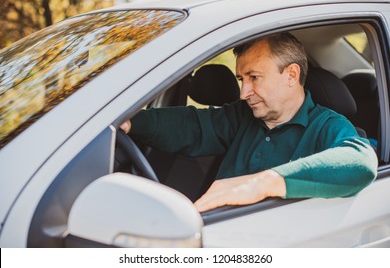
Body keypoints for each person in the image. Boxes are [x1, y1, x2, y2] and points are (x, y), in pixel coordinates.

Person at [120, 32, 378, 212]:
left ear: (291, 75)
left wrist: (263, 183)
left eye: (254, 77)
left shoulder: (326, 126)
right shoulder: (241, 116)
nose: (244, 93)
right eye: (241, 79)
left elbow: (360, 162)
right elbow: (192, 125)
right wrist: (131, 122)